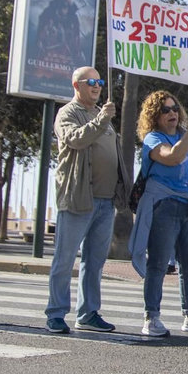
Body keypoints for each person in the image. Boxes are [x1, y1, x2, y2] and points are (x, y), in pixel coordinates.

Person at [45, 66, 131, 334]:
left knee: (94, 262)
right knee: (65, 258)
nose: (97, 86)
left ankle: (88, 313)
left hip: (105, 202)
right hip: (78, 198)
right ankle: (56, 314)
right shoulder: (68, 113)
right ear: (76, 85)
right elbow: (74, 140)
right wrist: (101, 120)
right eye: (91, 81)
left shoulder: (101, 114)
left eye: (100, 81)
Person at [127, 90, 188, 337]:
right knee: (158, 264)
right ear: (155, 116)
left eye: (174, 108)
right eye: (165, 110)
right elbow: (174, 158)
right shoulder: (153, 139)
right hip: (164, 206)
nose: (172, 113)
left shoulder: (185, 138)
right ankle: (151, 318)